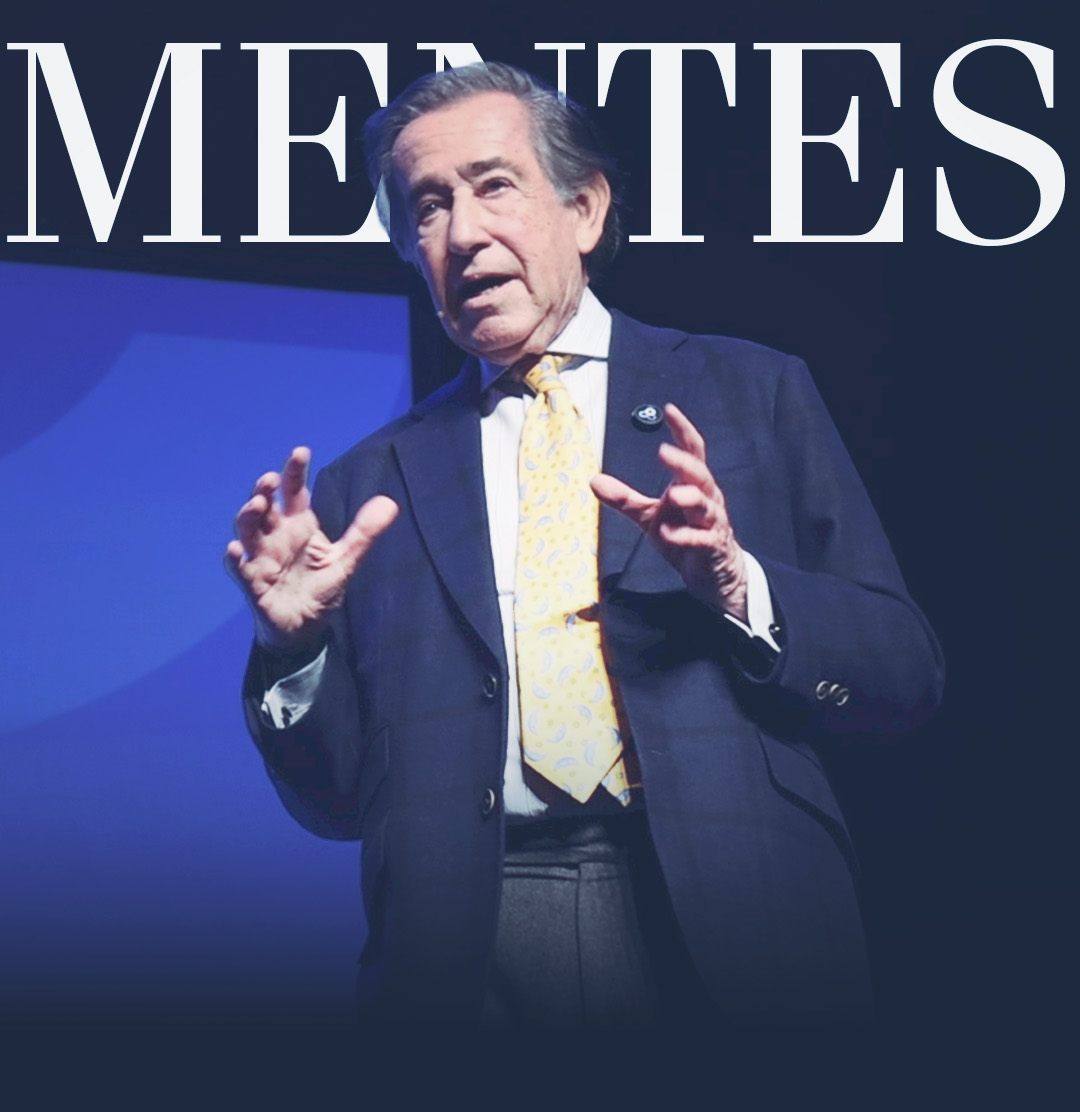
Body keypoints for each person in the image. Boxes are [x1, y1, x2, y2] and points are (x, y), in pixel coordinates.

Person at [225, 62, 943, 1030]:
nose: (463, 233)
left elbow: (902, 679)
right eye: (428, 206)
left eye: (493, 185)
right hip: (466, 952)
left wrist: (738, 586)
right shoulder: (365, 488)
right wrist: (293, 650)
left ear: (585, 210)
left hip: (738, 921)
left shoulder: (752, 393)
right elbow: (336, 802)